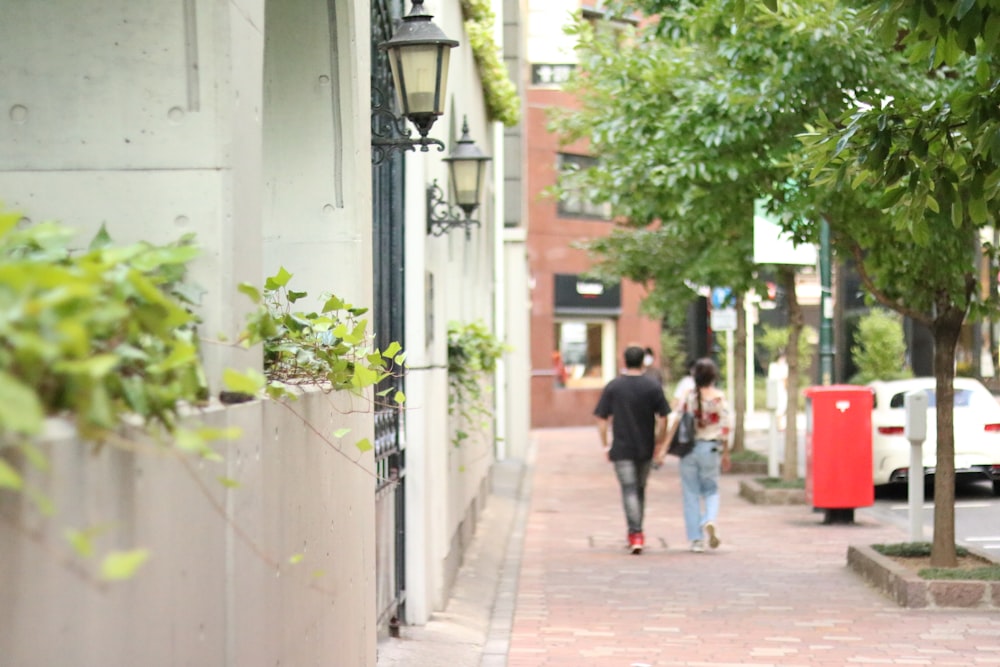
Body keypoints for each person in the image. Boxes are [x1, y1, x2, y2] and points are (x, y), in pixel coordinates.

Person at [594, 345, 671, 554]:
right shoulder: (652, 386)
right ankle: (637, 532)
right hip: (645, 446)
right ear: (643, 361)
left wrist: (605, 444)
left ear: (624, 361)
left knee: (628, 489)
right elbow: (664, 417)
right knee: (640, 489)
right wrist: (659, 440)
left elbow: (601, 418)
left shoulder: (614, 386)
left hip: (621, 447)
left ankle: (635, 533)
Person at [656, 357, 731, 552]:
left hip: (688, 450)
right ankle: (709, 519)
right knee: (711, 490)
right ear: (713, 376)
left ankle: (696, 540)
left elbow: (676, 422)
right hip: (711, 448)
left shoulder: (688, 397)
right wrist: (726, 453)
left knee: (690, 493)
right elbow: (725, 428)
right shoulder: (719, 398)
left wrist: (664, 448)